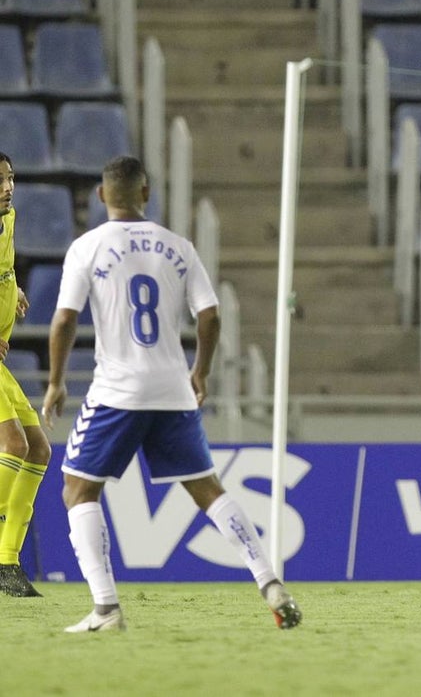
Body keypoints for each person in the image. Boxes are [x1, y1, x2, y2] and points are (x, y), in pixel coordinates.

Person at [41, 156, 302, 633]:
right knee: (208, 490)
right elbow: (210, 315)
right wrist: (198, 371)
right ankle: (269, 583)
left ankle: (106, 609)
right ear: (146, 195)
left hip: (117, 389)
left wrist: (56, 381)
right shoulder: (178, 247)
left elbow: (63, 320)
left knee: (78, 489)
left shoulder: (88, 247)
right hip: (172, 387)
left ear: (101, 197)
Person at [0, 152, 51, 598]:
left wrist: (12, 287)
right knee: (14, 444)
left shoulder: (8, 218)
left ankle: (8, 563)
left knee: (38, 449)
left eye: (11, 177)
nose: (7, 186)